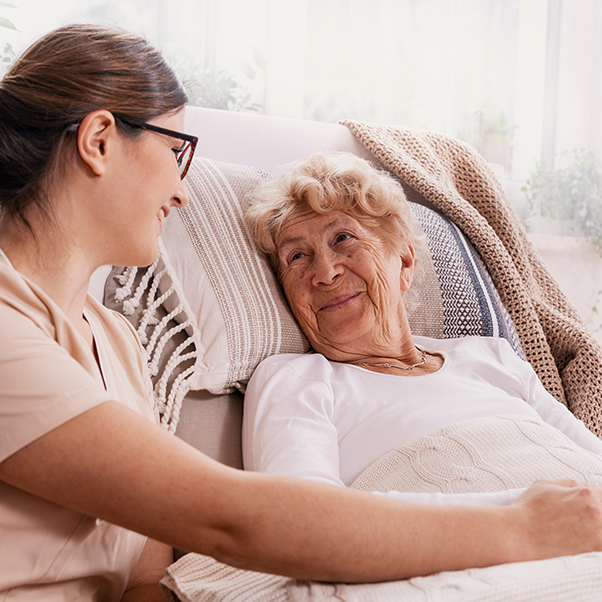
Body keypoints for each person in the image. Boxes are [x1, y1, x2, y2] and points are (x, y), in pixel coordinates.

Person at [0, 24, 601, 602]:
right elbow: (227, 520)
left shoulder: (120, 346)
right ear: (99, 140)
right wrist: (523, 526)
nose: (183, 191)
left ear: (405, 259)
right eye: (177, 152)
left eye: (345, 241)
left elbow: (142, 579)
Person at [242, 151, 602, 517]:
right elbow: (305, 517)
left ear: (406, 262)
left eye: (343, 238)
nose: (325, 272)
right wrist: (528, 516)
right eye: (297, 257)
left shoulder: (493, 356)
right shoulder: (295, 380)